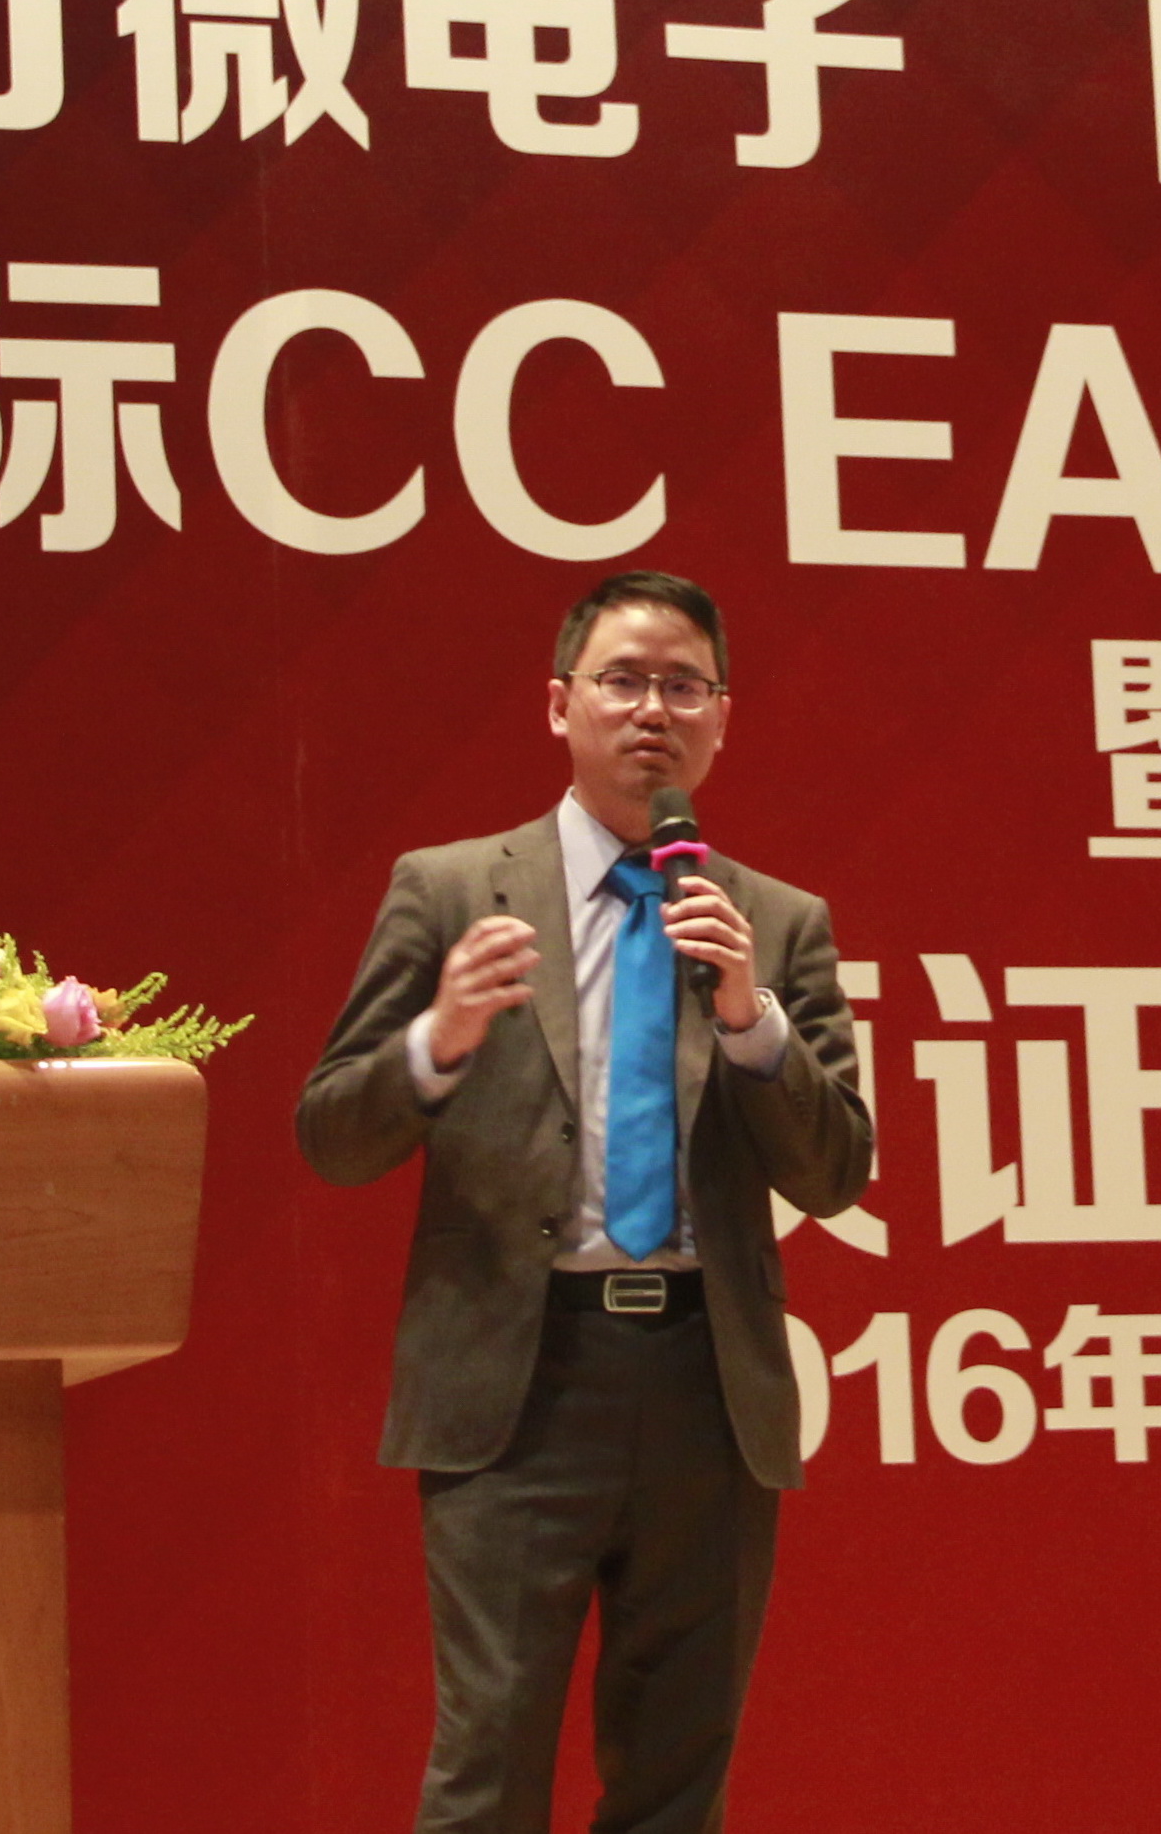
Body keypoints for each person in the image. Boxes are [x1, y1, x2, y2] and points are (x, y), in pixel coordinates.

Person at [297, 569, 874, 1833]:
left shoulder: (773, 924)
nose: (652, 710)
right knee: (488, 1768)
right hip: (520, 1385)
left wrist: (752, 1024)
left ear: (723, 719)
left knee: (676, 1780)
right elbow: (331, 1134)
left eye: (684, 686)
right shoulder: (451, 890)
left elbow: (835, 1172)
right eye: (622, 681)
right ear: (559, 705)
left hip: (706, 1390)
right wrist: (437, 1042)